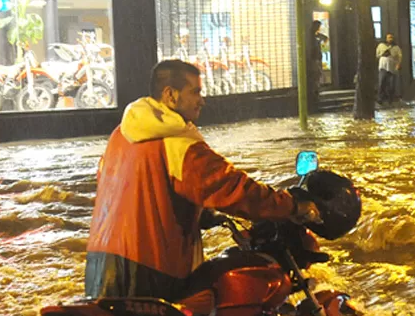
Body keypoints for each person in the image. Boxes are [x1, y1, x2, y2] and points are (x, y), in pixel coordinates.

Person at [84, 60, 320, 301]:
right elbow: (234, 189)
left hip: (99, 267)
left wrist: (201, 213)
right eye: (195, 91)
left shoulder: (120, 136)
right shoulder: (178, 144)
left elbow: (136, 192)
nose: (202, 100)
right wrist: (291, 206)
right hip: (150, 269)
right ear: (170, 95)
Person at [376, 33, 403, 105]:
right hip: (383, 66)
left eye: (391, 37)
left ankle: (390, 99)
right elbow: (377, 55)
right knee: (381, 83)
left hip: (392, 67)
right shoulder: (381, 45)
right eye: (389, 37)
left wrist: (398, 64)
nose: (390, 39)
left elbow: (399, 56)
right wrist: (383, 53)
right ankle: (380, 98)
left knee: (391, 84)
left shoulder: (396, 47)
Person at [307, 20, 328, 112]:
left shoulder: (316, 35)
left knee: (318, 75)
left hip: (317, 58)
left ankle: (316, 91)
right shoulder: (311, 36)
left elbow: (325, 38)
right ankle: (315, 93)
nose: (319, 28)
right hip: (314, 59)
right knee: (316, 75)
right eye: (318, 26)